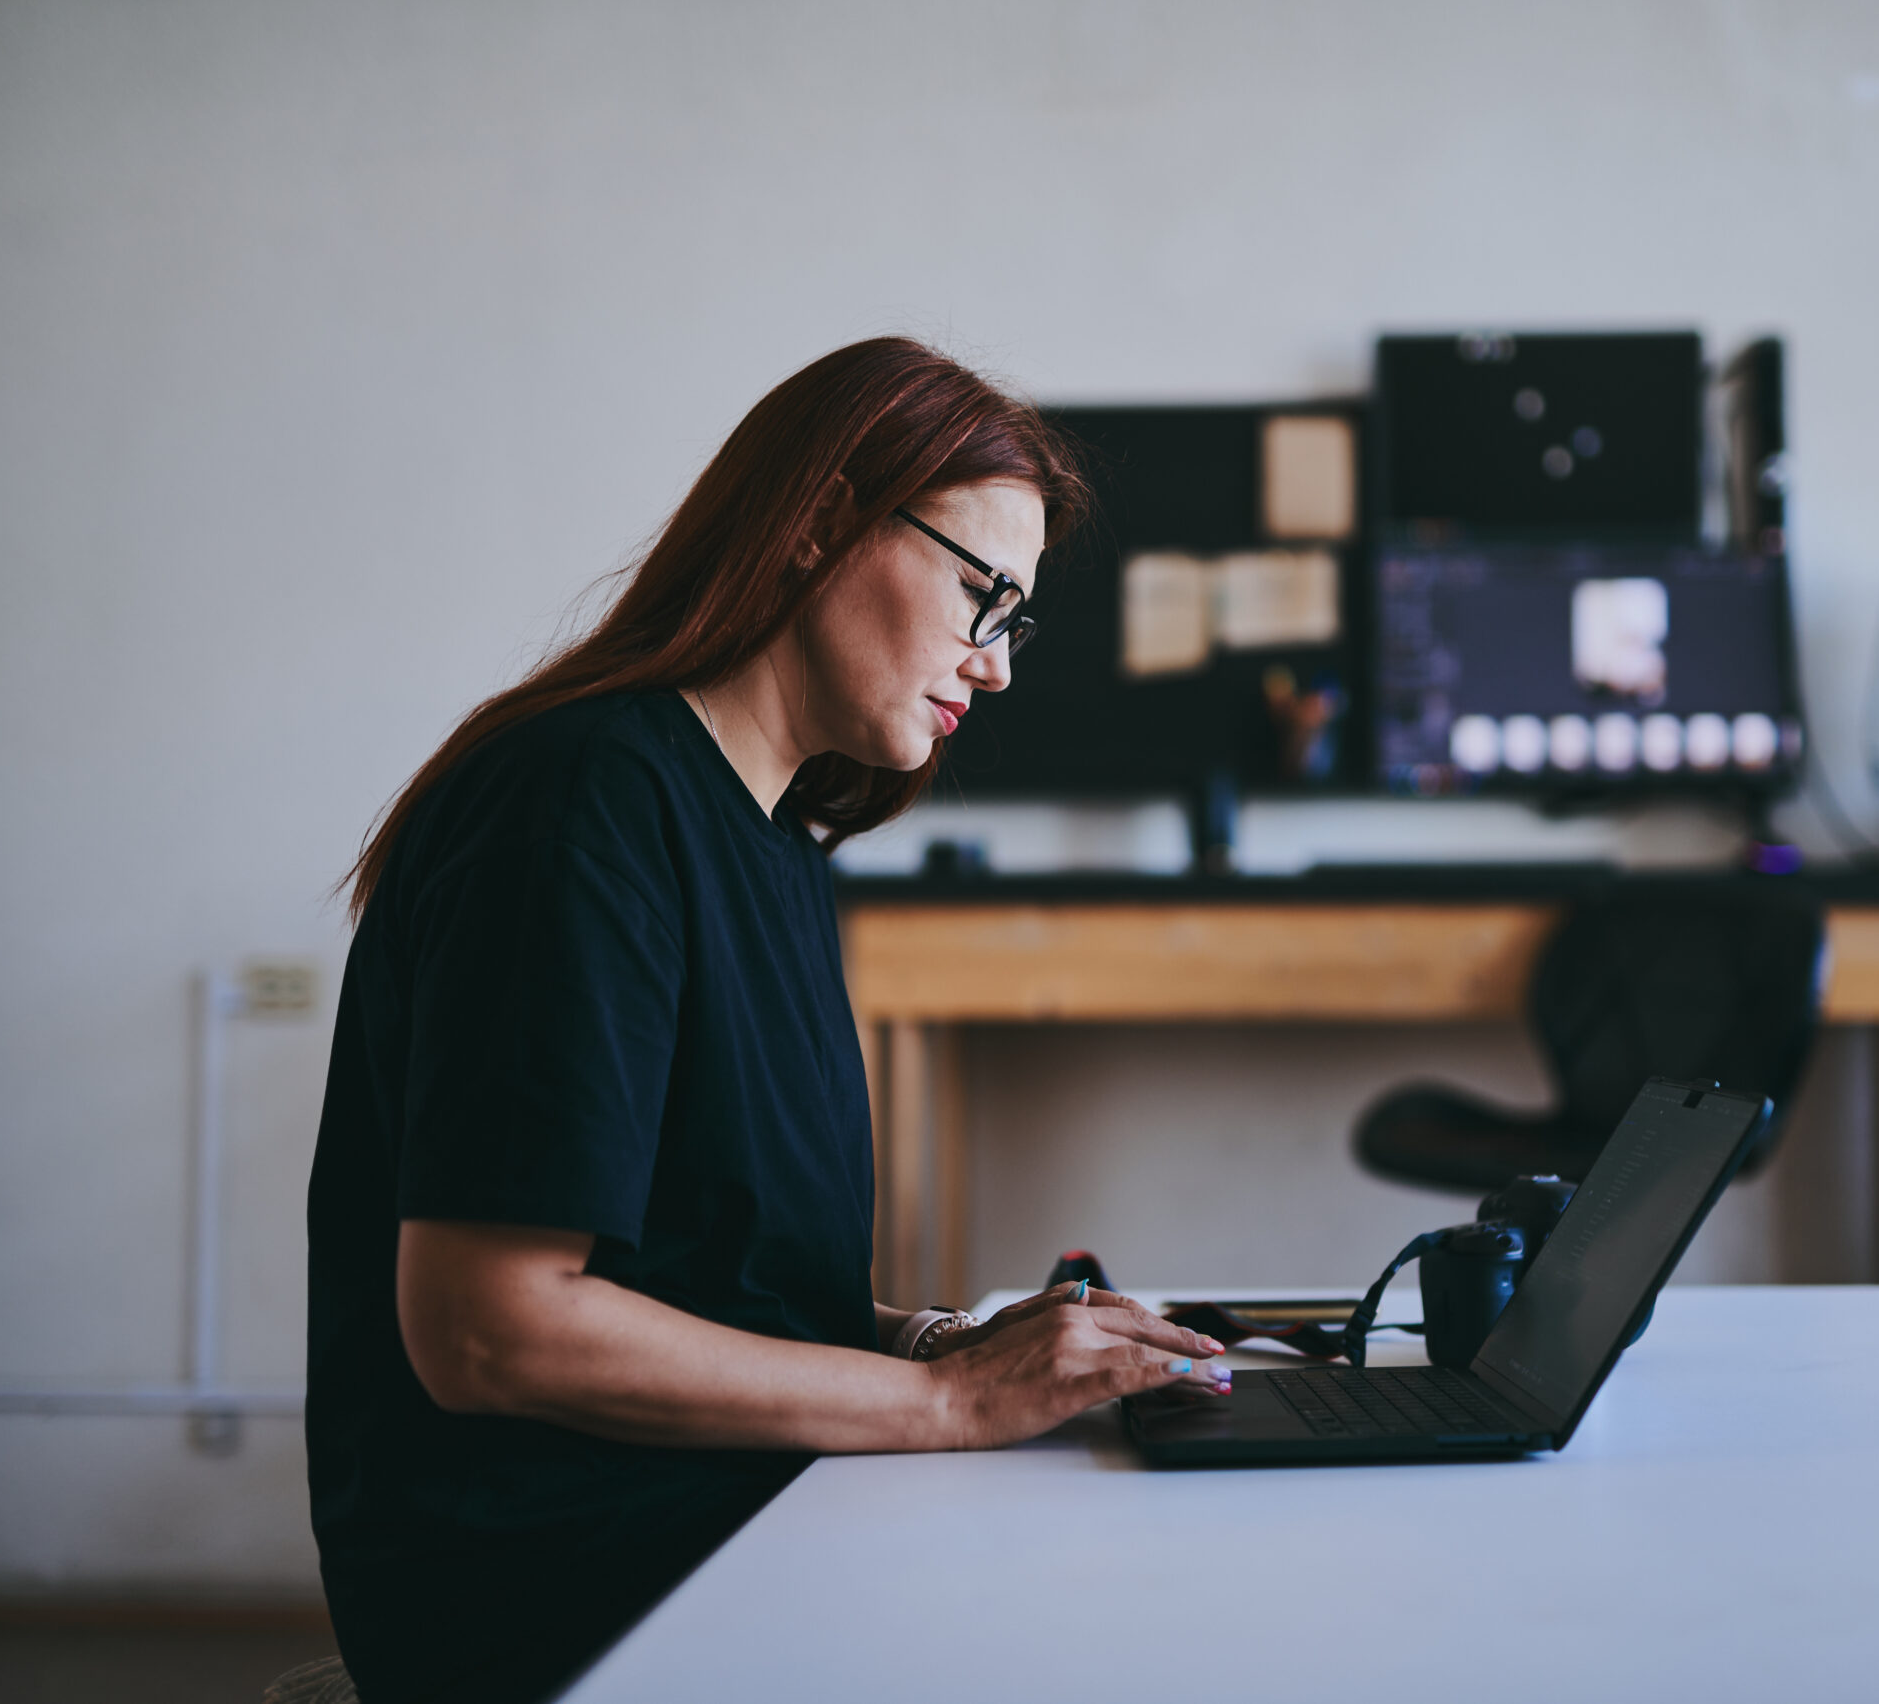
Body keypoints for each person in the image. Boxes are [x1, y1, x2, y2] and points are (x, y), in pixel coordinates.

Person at [306, 338, 1228, 1704]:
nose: (998, 666)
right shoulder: (583, 807)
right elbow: (490, 1324)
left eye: (1015, 622)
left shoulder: (778, 841)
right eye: (984, 595)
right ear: (816, 524)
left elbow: (704, 1274)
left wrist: (936, 1345)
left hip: (718, 1524)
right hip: (563, 1595)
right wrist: (947, 1406)